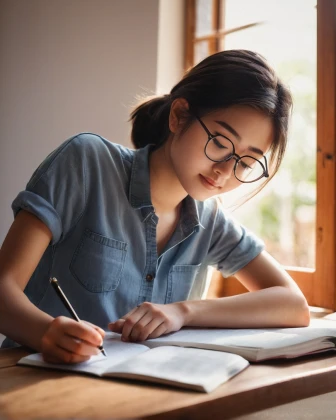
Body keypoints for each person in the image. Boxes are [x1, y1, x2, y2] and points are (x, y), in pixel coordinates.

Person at [0, 50, 309, 364]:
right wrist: (44, 332)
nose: (226, 170)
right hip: (32, 380)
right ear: (179, 115)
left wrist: (182, 312)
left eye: (247, 161)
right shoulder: (86, 162)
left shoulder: (211, 220)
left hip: (139, 396)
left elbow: (293, 304)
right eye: (219, 142)